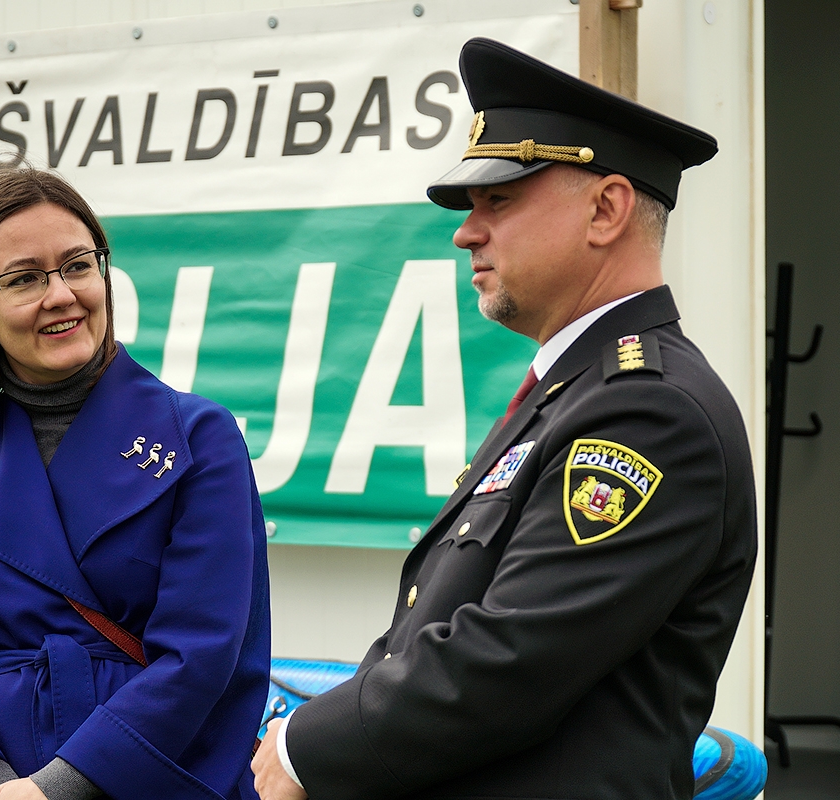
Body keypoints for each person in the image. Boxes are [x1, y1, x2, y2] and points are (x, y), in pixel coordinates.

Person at [251, 37, 757, 800]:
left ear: (607, 208)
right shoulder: (578, 391)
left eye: (499, 200)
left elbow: (512, 657)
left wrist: (305, 748)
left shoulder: (648, 410)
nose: (466, 231)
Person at [0, 168, 271, 800]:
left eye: (78, 265)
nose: (61, 294)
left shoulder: (199, 438)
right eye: (25, 278)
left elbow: (202, 654)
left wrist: (58, 789)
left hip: (153, 778)